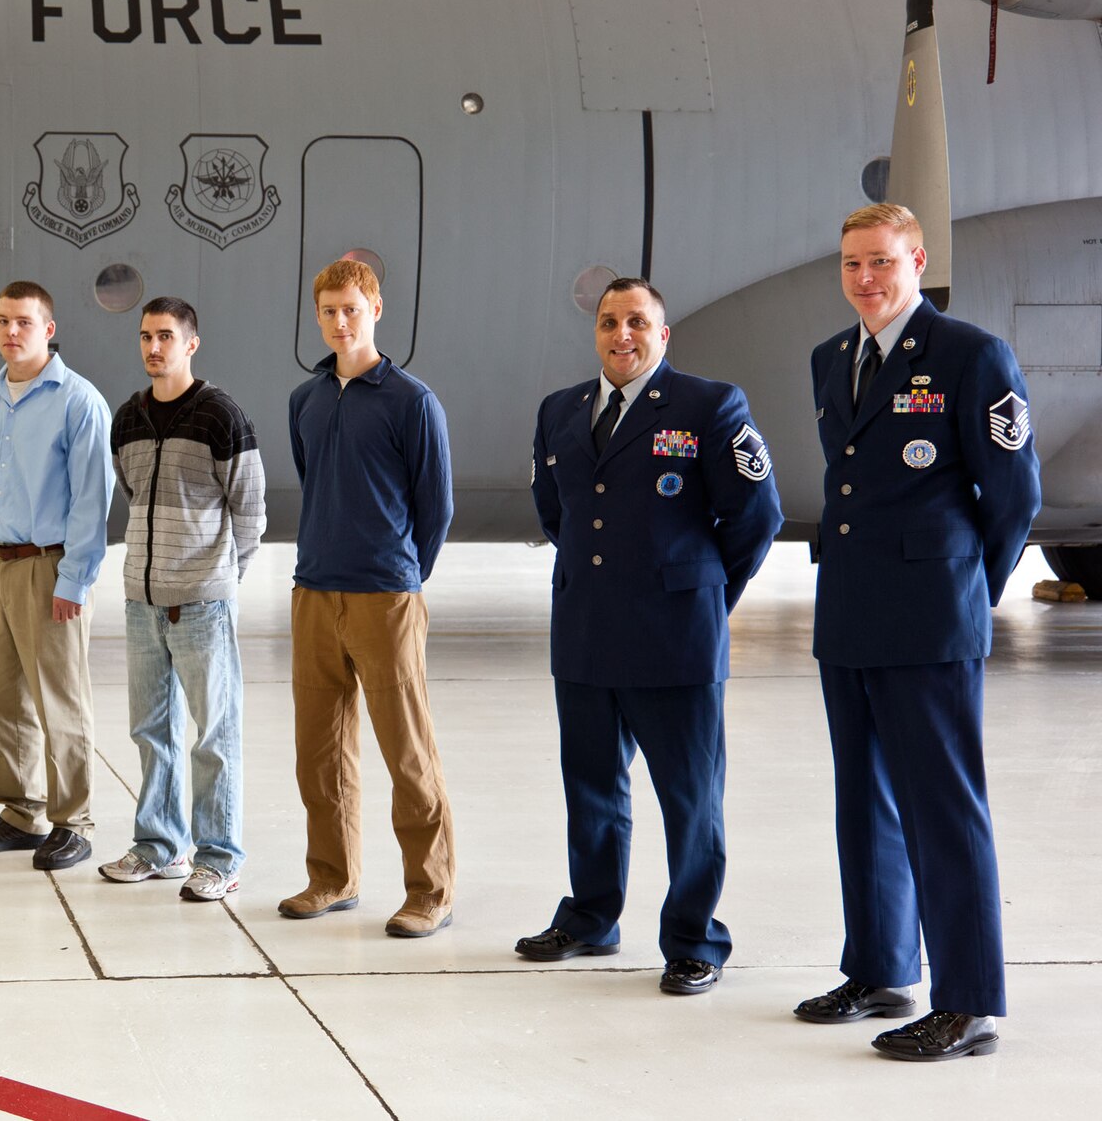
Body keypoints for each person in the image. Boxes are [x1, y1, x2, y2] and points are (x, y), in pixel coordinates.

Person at [797, 203, 1041, 1061]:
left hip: (931, 619)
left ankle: (970, 1001)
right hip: (852, 614)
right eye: (853, 263)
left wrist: (967, 590)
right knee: (862, 802)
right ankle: (880, 968)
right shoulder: (834, 359)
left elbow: (1013, 496)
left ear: (917, 260)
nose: (867, 277)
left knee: (943, 809)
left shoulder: (970, 355)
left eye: (883, 262)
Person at [519, 278, 782, 993]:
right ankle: (590, 916)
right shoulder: (560, 411)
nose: (621, 333)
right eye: (609, 321)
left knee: (690, 798)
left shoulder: (708, 407)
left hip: (676, 639)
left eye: (637, 321)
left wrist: (703, 592)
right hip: (586, 632)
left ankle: (695, 939)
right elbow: (557, 513)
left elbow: (757, 515)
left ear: (663, 334)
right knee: (592, 787)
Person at [281, 258, 458, 938]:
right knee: (318, 750)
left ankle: (430, 889)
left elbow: (433, 506)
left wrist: (404, 576)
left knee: (406, 750)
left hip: (385, 594)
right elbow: (314, 477)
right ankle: (332, 875)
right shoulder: (307, 400)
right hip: (314, 591)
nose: (339, 321)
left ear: (376, 309)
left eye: (351, 308)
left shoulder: (412, 401)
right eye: (328, 310)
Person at [99, 297, 265, 901]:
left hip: (201, 604)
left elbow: (250, 510)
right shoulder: (127, 418)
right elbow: (131, 490)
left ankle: (219, 857)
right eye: (145, 336)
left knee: (213, 736)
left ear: (190, 343)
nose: (153, 348)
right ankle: (156, 846)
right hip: (142, 603)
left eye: (166, 336)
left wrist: (222, 578)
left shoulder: (221, 415)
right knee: (151, 729)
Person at [0, 281, 113, 871]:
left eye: (23, 322)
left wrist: (74, 580)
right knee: (1, 696)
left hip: (48, 568)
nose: (10, 332)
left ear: (49, 329)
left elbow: (91, 503)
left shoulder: (78, 402)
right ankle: (22, 812)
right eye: (2, 321)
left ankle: (74, 821)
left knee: (59, 701)